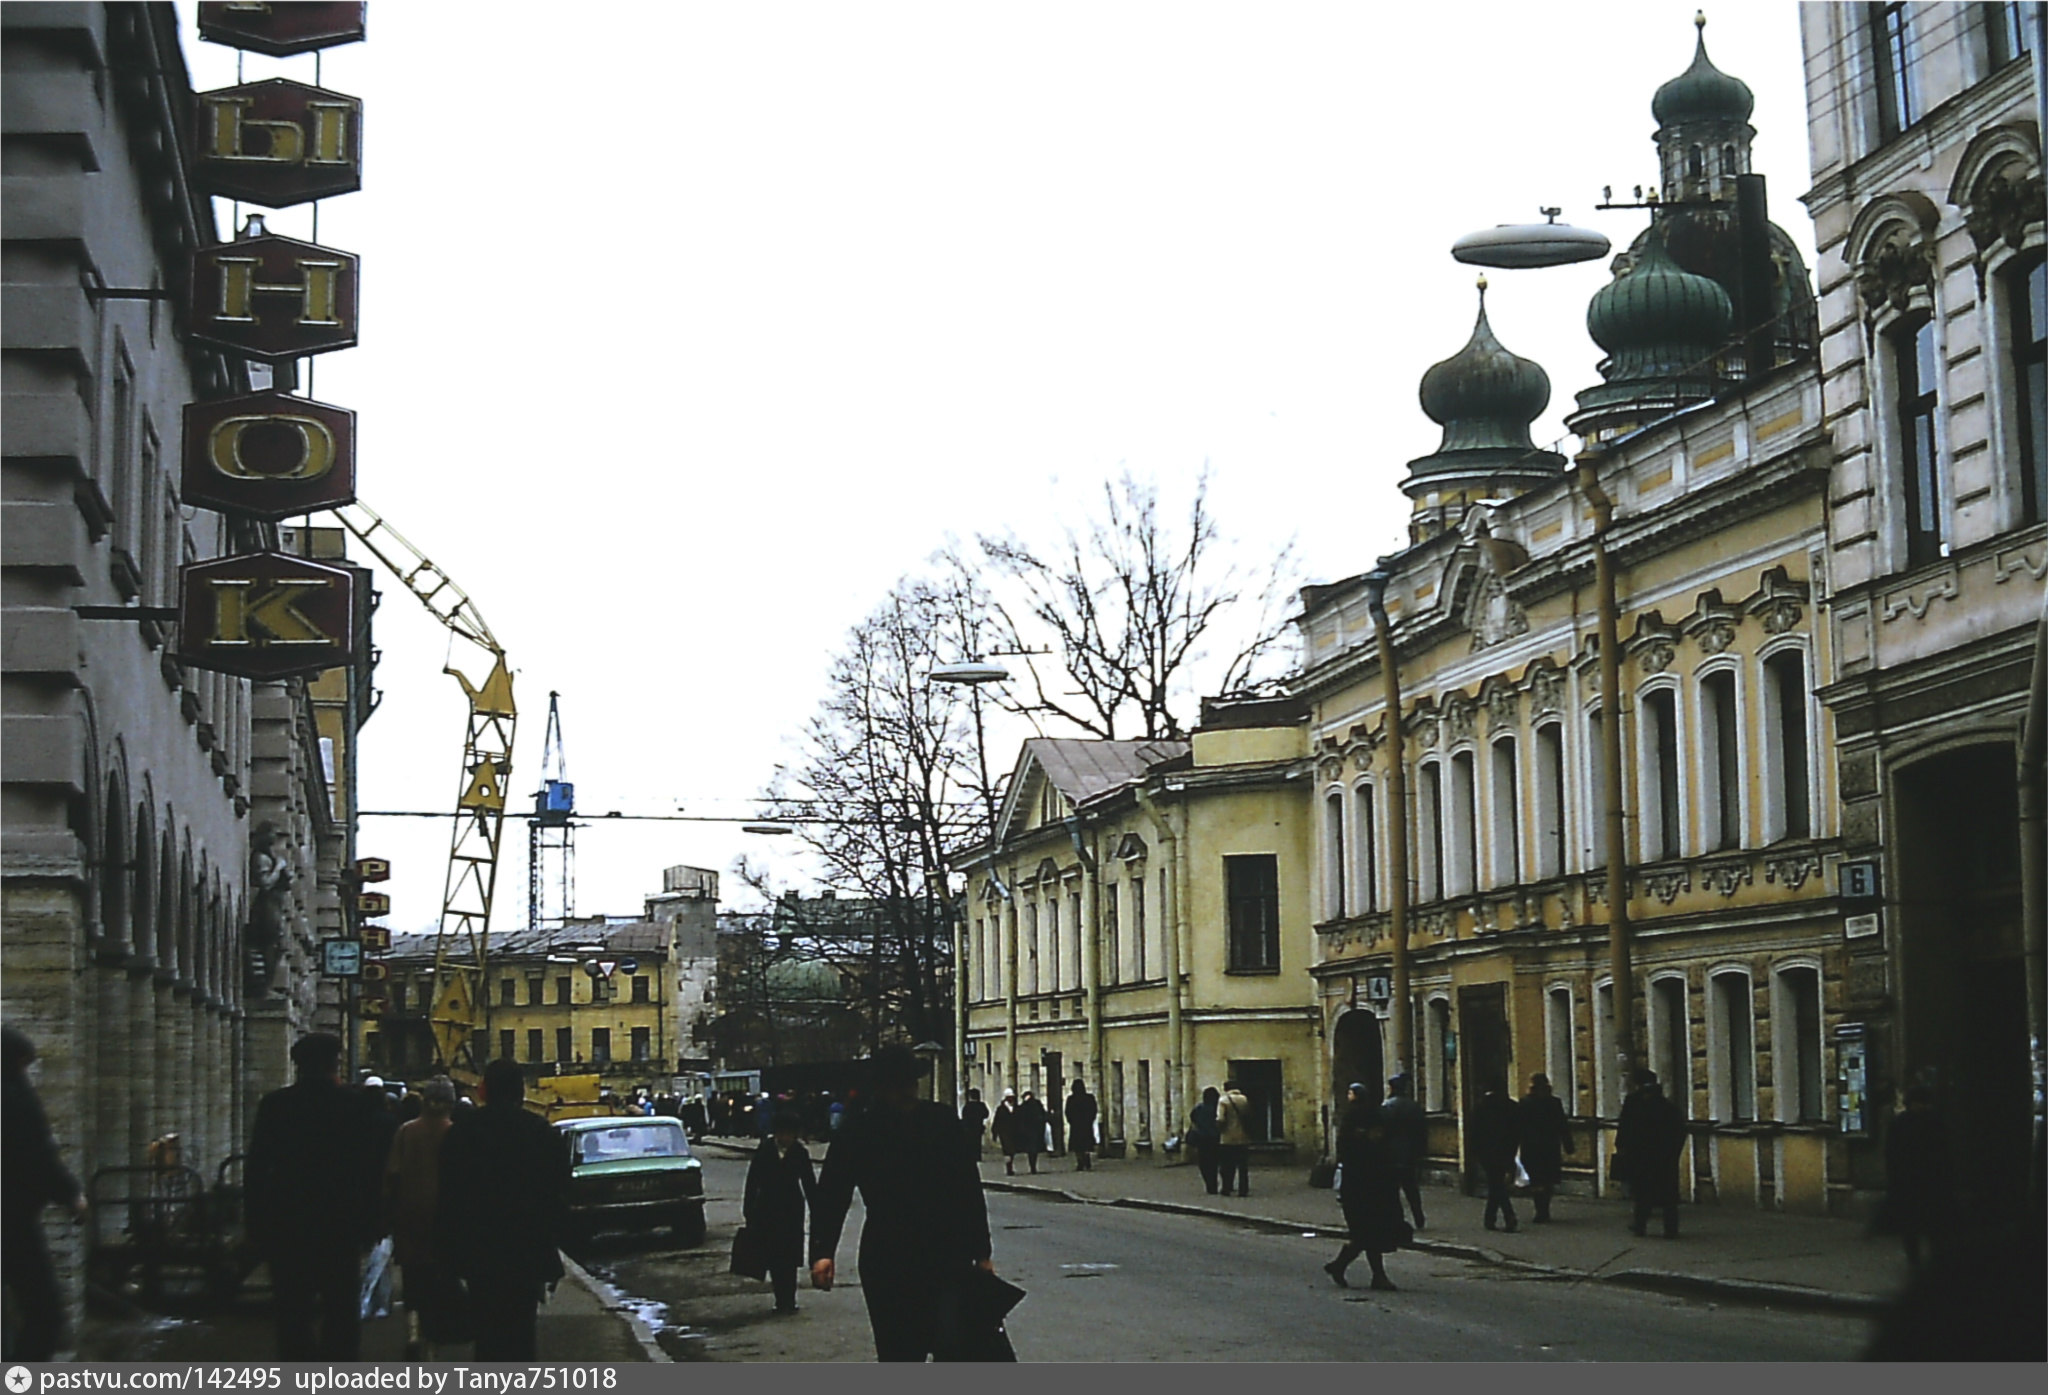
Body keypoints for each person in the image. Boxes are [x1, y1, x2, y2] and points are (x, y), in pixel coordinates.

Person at [809, 1044, 999, 1361]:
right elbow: (832, 1194)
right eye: (898, 1084)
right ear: (881, 1088)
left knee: (956, 1348)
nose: (907, 1091)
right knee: (899, 1353)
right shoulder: (860, 1131)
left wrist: (982, 1253)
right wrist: (822, 1252)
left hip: (946, 1255)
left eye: (910, 1082)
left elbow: (967, 1190)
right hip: (889, 1259)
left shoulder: (941, 1121)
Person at [246, 1033, 390, 1360]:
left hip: (287, 1228)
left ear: (297, 1065)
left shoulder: (275, 1106)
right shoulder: (354, 1106)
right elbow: (368, 1172)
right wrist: (371, 1223)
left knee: (292, 1315)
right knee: (341, 1312)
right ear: (334, 1063)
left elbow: (256, 1172)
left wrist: (256, 1227)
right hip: (339, 1227)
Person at [435, 1059, 570, 1359]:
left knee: (487, 1335)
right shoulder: (541, 1132)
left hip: (478, 1252)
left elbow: (448, 1198)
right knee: (522, 1333)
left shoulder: (461, 1134)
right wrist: (552, 1246)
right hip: (526, 1251)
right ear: (521, 1092)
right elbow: (558, 1193)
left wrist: (447, 1256)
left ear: (483, 1091)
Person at [3, 1027, 87, 1361]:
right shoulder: (12, 1096)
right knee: (45, 1312)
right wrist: (71, 1195)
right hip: (11, 1221)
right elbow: (34, 1155)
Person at [386, 1076, 460, 1358]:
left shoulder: (406, 1131)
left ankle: (414, 1331)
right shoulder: (455, 1133)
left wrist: (390, 1214)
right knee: (439, 1280)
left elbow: (392, 1175)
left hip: (409, 1214)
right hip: (444, 1218)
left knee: (413, 1278)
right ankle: (433, 1342)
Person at [1323, 1083, 1408, 1292]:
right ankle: (1368, 1274)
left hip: (1360, 1184)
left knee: (1366, 1233)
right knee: (1369, 1233)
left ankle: (1344, 1267)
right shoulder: (1376, 1117)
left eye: (1350, 1093)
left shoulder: (1353, 1119)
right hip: (1374, 1183)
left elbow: (1345, 1148)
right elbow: (1386, 1147)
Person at [745, 1111, 816, 1314]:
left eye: (790, 1134)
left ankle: (790, 1299)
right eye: (783, 1134)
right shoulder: (765, 1150)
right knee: (775, 1256)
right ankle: (780, 1298)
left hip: (792, 1208)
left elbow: (809, 1182)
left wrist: (816, 1209)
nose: (786, 1138)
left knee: (791, 1255)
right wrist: (749, 1210)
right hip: (768, 1208)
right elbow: (753, 1181)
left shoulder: (799, 1152)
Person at [1882, 1085, 1949, 1271]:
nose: (1920, 1107)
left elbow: (1891, 1153)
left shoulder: (1908, 1123)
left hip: (1918, 1181)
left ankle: (1924, 1260)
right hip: (1916, 1181)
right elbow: (1892, 1153)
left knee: (1923, 1225)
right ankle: (1917, 1260)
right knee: (1918, 1226)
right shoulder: (1929, 1122)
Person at [1614, 1070, 1685, 1239]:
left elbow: (1624, 1128)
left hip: (1640, 1156)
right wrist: (1673, 1153)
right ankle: (1670, 1229)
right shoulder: (1667, 1106)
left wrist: (1622, 1147)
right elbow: (1679, 1132)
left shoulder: (1633, 1103)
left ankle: (1640, 1226)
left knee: (1642, 1193)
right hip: (1664, 1157)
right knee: (1668, 1196)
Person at [1517, 1073, 1572, 1224]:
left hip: (1531, 1147)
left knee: (1536, 1180)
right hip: (1550, 1146)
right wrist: (1568, 1144)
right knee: (1547, 1180)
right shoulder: (1554, 1103)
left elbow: (1518, 1127)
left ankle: (1540, 1209)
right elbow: (1562, 1125)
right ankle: (1545, 1208)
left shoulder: (1525, 1103)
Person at [1467, 1076, 1520, 1233]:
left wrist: (1474, 1152)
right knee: (1496, 1184)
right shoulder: (1511, 1106)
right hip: (1506, 1151)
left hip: (1486, 1153)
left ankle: (1505, 1216)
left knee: (1495, 1184)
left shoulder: (1480, 1107)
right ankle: (1492, 1218)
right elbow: (1516, 1131)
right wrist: (1513, 1151)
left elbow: (1474, 1132)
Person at [1382, 1074, 1428, 1229]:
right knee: (1411, 1188)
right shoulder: (1414, 1106)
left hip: (1391, 1155)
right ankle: (1418, 1216)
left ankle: (1398, 1219)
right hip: (1410, 1153)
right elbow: (1422, 1131)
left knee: (1392, 1190)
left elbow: (1382, 1131)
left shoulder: (1387, 1106)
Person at [1216, 1080, 1253, 1197]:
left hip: (1227, 1138)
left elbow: (1220, 1119)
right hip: (1243, 1137)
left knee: (1227, 1165)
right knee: (1243, 1166)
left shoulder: (1223, 1100)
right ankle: (1244, 1189)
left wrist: (1219, 1131)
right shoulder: (1244, 1099)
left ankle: (1226, 1188)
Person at [1189, 1087, 1222, 1195]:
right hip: (1216, 1139)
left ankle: (1210, 1184)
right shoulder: (1217, 1108)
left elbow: (1192, 1118)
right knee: (1216, 1162)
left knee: (1205, 1164)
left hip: (1202, 1139)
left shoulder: (1199, 1108)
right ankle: (1217, 1182)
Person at [1064, 1080, 1098, 1172]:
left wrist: (1071, 1121)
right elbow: (1094, 1110)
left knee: (1078, 1146)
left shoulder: (1071, 1099)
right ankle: (1086, 1161)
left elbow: (1067, 1112)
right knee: (1086, 1144)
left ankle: (1080, 1162)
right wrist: (1090, 1120)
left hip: (1076, 1126)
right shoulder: (1089, 1098)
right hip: (1086, 1125)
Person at [1012, 1090, 1048, 1176]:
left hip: (1028, 1131)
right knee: (1033, 1151)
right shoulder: (1036, 1105)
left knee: (1031, 1151)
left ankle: (1032, 1166)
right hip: (1035, 1131)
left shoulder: (1024, 1106)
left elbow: (1018, 1118)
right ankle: (1033, 1166)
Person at [990, 1089, 1019, 1174]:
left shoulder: (1016, 1107)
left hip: (1014, 1132)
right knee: (1007, 1150)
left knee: (1012, 1151)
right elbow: (997, 1121)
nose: (1011, 1099)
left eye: (1012, 1097)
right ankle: (1009, 1168)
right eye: (1009, 1097)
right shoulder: (1001, 1109)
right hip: (1004, 1132)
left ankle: (1010, 1164)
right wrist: (994, 1133)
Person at [960, 1088, 991, 1160]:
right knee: (977, 1142)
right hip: (978, 1126)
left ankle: (971, 1156)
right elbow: (986, 1114)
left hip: (969, 1127)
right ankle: (977, 1156)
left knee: (970, 1142)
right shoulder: (981, 1105)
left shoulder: (967, 1106)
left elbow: (964, 1115)